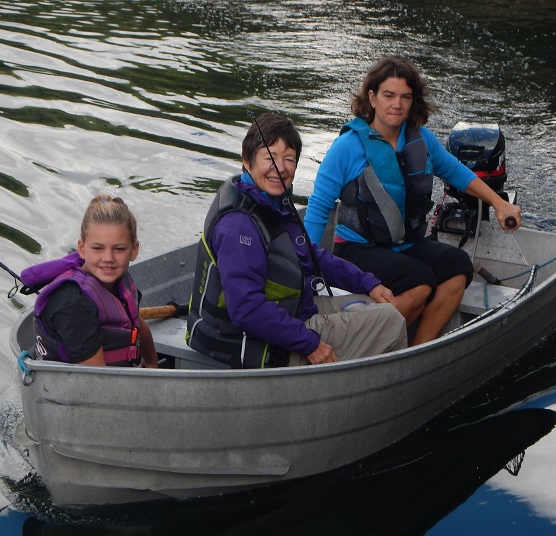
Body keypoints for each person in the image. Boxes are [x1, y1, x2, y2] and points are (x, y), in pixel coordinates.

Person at [304, 57, 522, 345]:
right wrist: (302, 267)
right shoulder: (348, 146)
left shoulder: (422, 139)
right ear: (372, 97)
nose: (397, 104)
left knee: (458, 267)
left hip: (405, 244)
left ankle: (418, 350)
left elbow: (455, 171)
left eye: (405, 97)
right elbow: (318, 208)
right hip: (357, 248)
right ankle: (357, 345)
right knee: (419, 281)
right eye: (389, 95)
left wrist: (498, 202)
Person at [186, 112, 407, 368]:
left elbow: (310, 257)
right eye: (269, 157)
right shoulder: (239, 225)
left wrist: (368, 283)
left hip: (293, 311)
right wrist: (309, 342)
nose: (280, 168)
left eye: (289, 159)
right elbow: (247, 308)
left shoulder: (269, 202)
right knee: (392, 323)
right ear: (247, 162)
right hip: (257, 343)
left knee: (379, 305)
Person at [20, 194, 158, 368]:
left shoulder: (121, 283)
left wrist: (152, 365)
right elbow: (96, 381)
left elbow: (138, 325)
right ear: (81, 248)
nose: (108, 258)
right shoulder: (73, 305)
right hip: (79, 389)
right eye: (98, 248)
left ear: (134, 250)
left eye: (119, 249)